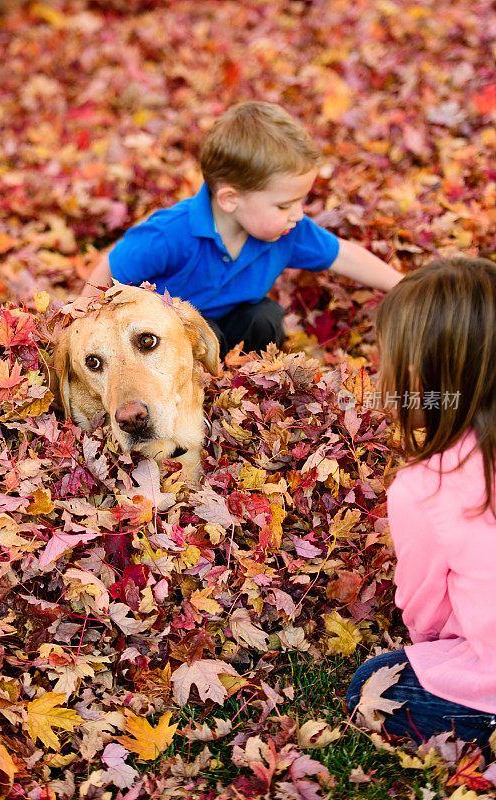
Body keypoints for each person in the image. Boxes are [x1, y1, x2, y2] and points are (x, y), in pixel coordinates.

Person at [81, 101, 402, 358]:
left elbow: (343, 256)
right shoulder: (170, 234)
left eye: (299, 201)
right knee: (203, 335)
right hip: (164, 334)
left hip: (228, 322)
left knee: (265, 318)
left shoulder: (288, 232)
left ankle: (247, 379)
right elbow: (111, 267)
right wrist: (81, 325)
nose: (298, 214)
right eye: (284, 205)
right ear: (231, 199)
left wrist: (403, 285)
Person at [346, 257, 496, 751]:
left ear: (416, 374)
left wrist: (437, 647)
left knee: (373, 687)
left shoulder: (427, 483)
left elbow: (425, 610)